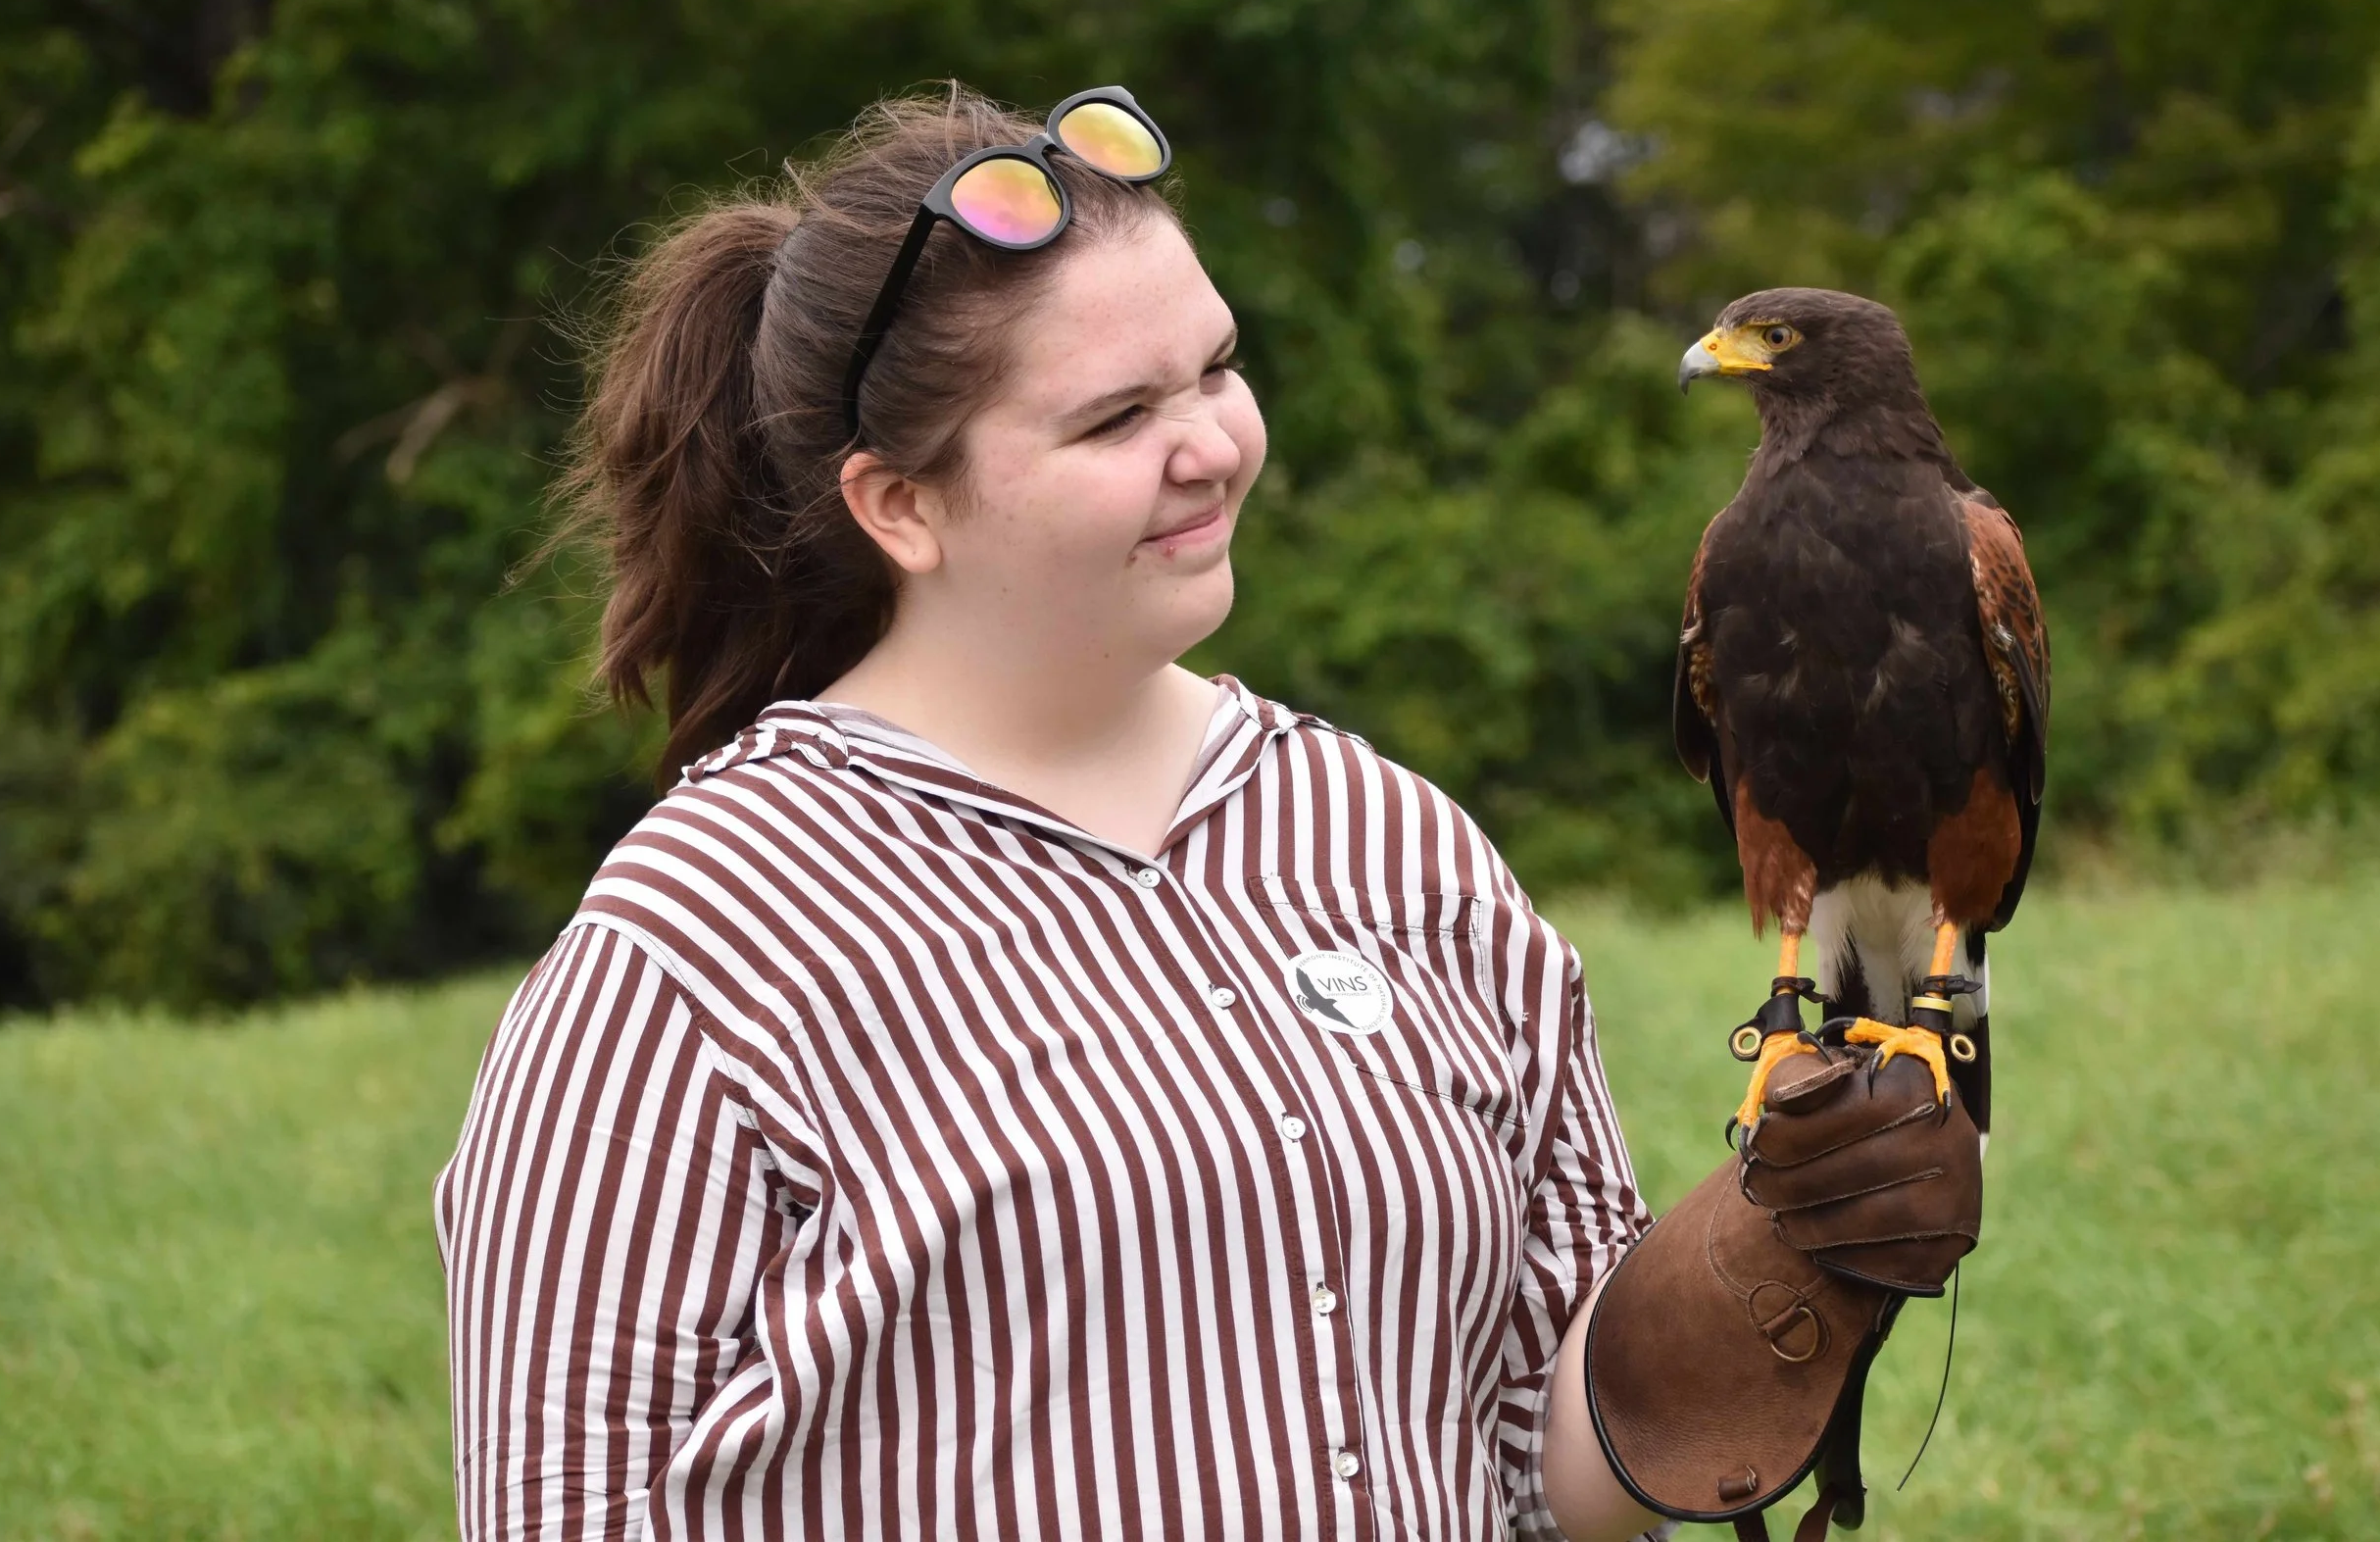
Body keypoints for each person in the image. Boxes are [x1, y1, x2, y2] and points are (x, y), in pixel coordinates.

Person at [434, 81, 1974, 1542]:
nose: (1214, 447)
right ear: (897, 504)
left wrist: (1777, 1258)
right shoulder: (696, 953)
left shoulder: (1394, 844)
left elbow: (1538, 1463)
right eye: (1115, 421)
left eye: (1218, 369)